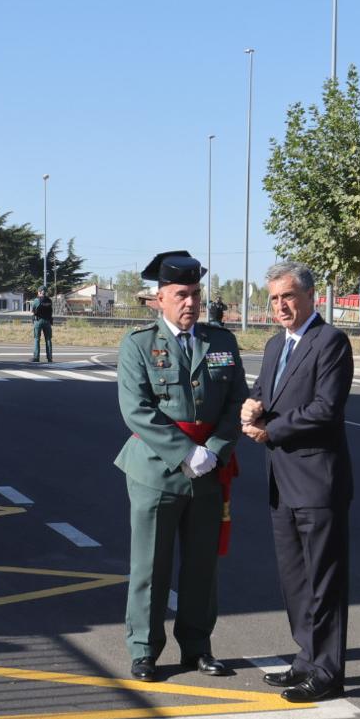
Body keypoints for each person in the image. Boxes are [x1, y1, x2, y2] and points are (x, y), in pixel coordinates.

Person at [114, 250, 246, 682]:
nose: (190, 303)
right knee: (151, 565)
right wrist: (186, 452)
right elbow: (136, 409)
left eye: (195, 294)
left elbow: (235, 404)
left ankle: (197, 647)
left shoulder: (221, 342)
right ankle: (144, 650)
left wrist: (216, 450)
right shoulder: (138, 345)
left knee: (202, 565)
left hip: (210, 469)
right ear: (159, 300)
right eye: (180, 295)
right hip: (156, 471)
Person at [241, 262, 354, 703]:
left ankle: (328, 670)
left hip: (317, 481)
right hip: (281, 481)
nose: (280, 306)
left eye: (287, 296)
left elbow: (327, 409)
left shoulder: (330, 342)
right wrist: (250, 409)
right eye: (273, 298)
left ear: (310, 296)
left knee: (324, 579)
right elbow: (263, 391)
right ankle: (306, 658)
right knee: (295, 579)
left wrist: (273, 429)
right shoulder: (275, 345)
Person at [31, 293, 54, 362]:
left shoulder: (36, 300)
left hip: (38, 321)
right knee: (48, 340)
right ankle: (49, 358)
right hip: (47, 321)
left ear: (39, 292)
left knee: (37, 339)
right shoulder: (49, 300)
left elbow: (32, 311)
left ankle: (36, 357)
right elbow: (50, 310)